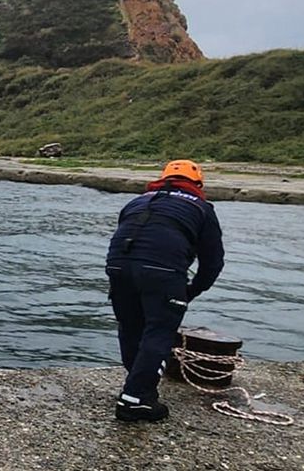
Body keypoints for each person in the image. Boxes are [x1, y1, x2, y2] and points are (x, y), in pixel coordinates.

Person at [105, 159, 224, 422]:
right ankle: (135, 399)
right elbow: (213, 262)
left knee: (130, 327)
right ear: (198, 183)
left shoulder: (136, 202)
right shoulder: (201, 208)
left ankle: (138, 388)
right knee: (159, 332)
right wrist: (191, 290)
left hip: (118, 266)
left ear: (163, 178)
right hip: (163, 270)